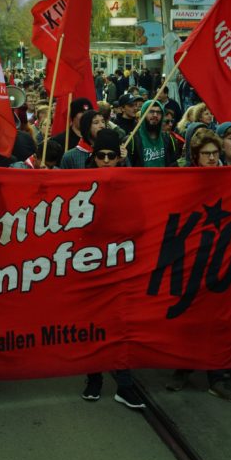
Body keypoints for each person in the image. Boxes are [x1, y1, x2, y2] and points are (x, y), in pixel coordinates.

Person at [166, 128, 231, 403]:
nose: (211, 159)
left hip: (222, 258)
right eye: (206, 155)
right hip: (191, 257)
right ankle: (183, 367)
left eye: (214, 154)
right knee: (190, 316)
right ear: (195, 156)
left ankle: (218, 376)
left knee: (219, 318)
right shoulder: (183, 177)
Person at [80, 129, 145, 409]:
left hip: (119, 265)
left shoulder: (129, 185)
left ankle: (125, 385)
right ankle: (93, 379)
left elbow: (140, 221)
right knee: (92, 325)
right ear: (93, 157)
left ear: (117, 158)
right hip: (89, 267)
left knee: (120, 327)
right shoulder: (78, 183)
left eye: (110, 156)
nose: (105, 161)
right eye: (100, 156)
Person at [127, 100, 177, 167]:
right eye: (151, 111)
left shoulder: (169, 139)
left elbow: (173, 164)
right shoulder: (132, 140)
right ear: (143, 114)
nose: (155, 115)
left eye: (159, 112)